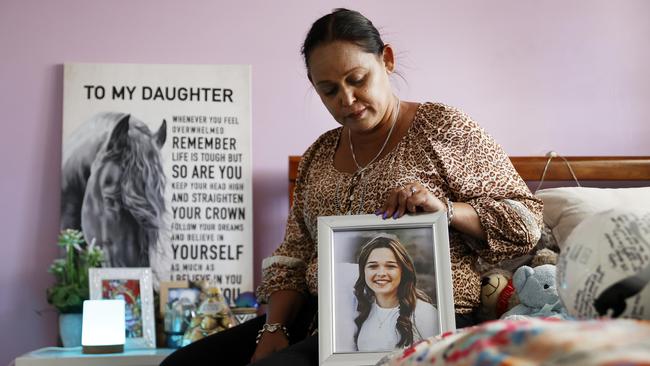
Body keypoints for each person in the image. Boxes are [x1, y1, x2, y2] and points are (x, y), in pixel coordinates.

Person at [161, 8, 542, 366]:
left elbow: (526, 224)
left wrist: (446, 209)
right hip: (321, 318)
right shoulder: (319, 154)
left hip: (421, 319)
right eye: (329, 90)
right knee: (181, 364)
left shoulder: (441, 128)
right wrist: (273, 329)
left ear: (387, 60)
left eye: (358, 80)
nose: (347, 99)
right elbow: (294, 256)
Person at [353, 235, 438, 352]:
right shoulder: (360, 311)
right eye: (373, 266)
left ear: (403, 271)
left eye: (390, 266)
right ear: (363, 271)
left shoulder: (424, 313)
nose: (381, 273)